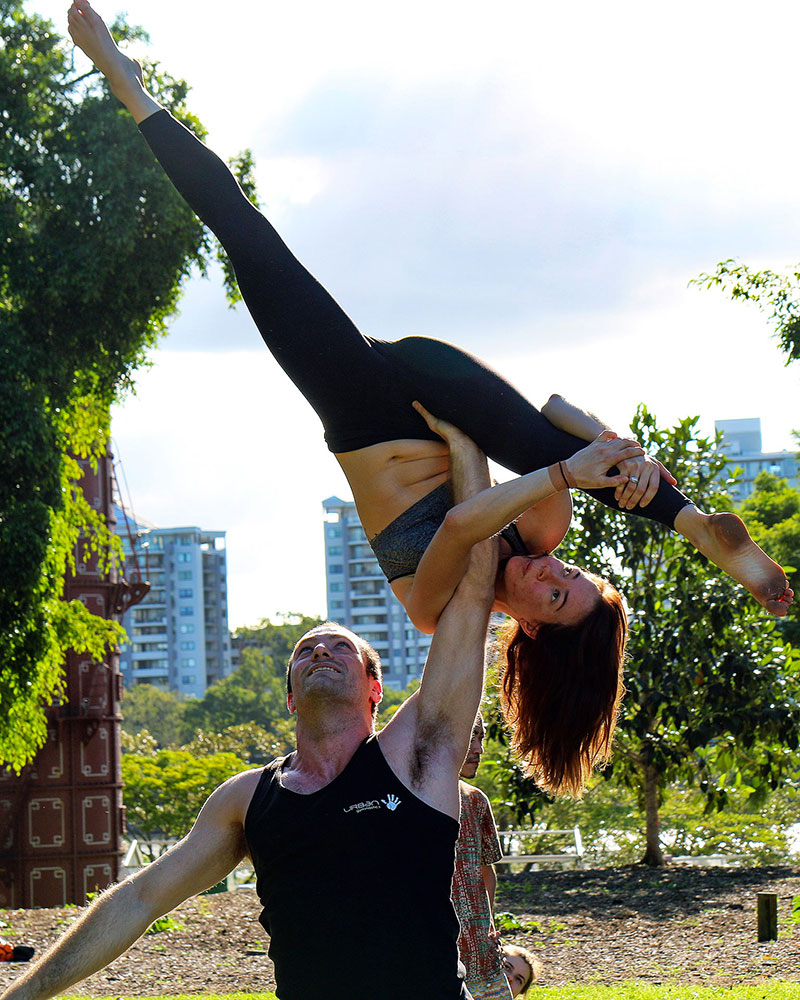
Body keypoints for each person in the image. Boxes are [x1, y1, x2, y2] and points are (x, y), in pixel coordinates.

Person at [67, 1, 793, 796]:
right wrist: (612, 449)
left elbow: (460, 524)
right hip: (432, 380)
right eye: (573, 575)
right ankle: (691, 522)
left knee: (247, 236)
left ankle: (124, 81)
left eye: (554, 595)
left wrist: (562, 467)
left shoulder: (439, 608)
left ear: (529, 632)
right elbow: (549, 407)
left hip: (360, 405)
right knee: (586, 457)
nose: (552, 567)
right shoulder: (546, 525)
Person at [2, 421, 498, 998]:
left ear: (374, 689)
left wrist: (468, 444)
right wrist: (25, 993)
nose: (320, 650)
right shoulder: (247, 800)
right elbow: (141, 898)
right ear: (290, 696)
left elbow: (475, 590)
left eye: (341, 647)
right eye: (305, 650)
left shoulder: (418, 757)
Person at [452, 714, 510, 1000]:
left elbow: (486, 871)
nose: (479, 748)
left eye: (481, 737)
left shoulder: (476, 801)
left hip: (483, 960)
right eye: (470, 736)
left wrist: (488, 928)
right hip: (437, 957)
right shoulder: (408, 801)